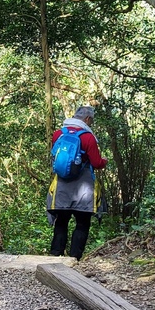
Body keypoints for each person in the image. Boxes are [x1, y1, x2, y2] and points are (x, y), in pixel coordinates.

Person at [46, 105, 108, 260]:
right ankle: (74, 258)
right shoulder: (88, 137)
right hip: (83, 189)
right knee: (82, 223)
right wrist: (104, 161)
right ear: (87, 119)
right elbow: (96, 163)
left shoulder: (58, 134)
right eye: (91, 120)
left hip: (61, 186)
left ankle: (55, 255)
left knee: (61, 222)